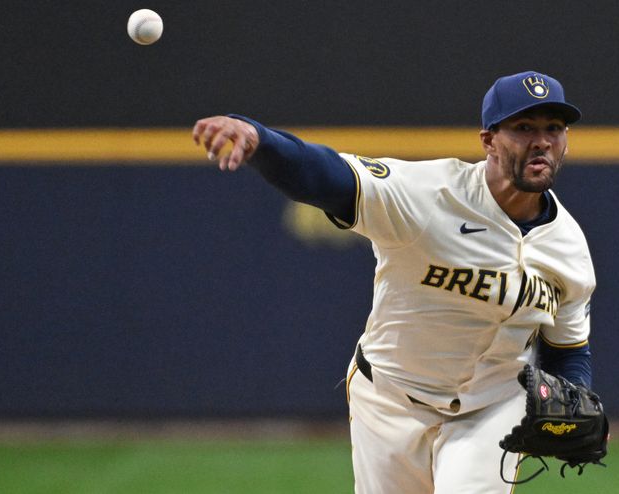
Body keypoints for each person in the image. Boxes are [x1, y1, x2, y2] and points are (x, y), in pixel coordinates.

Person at [192, 71, 597, 494]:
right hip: (390, 399)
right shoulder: (428, 195)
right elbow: (327, 175)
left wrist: (577, 400)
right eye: (523, 128)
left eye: (554, 128)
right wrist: (258, 138)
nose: (542, 141)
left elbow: (568, 350)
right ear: (489, 141)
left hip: (492, 409)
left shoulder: (570, 250)